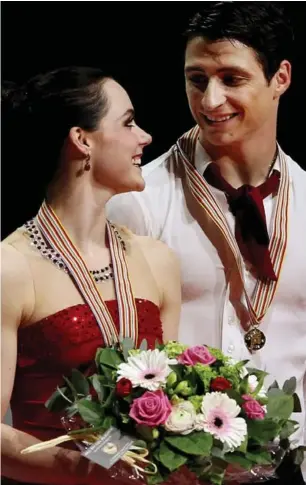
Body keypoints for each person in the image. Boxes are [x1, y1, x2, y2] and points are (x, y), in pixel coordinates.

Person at [106, 3, 306, 484]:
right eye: (197, 80)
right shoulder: (137, 203)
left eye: (231, 79)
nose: (210, 100)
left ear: (280, 78)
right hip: (182, 472)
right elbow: (112, 360)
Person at [1, 66, 181, 485]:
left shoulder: (158, 261)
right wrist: (90, 468)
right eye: (129, 122)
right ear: (82, 140)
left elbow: (170, 405)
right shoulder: (12, 267)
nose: (145, 137)